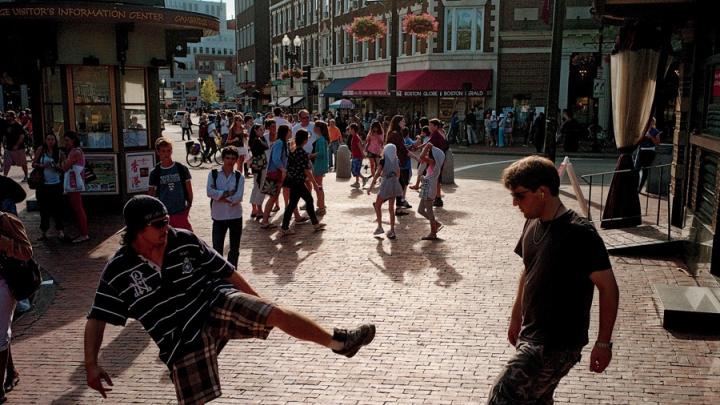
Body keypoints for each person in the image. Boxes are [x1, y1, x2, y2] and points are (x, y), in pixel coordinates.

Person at [84, 195, 375, 404]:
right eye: (159, 225)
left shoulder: (183, 241)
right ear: (137, 229)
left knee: (275, 313)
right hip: (179, 340)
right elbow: (97, 317)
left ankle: (340, 343)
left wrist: (260, 305)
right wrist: (91, 364)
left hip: (212, 303)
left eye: (167, 221)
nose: (166, 229)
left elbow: (227, 271)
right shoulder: (119, 269)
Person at [489, 156, 619, 404]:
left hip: (557, 343)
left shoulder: (580, 233)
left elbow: (608, 287)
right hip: (532, 334)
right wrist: (516, 316)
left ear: (542, 192)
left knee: (502, 395)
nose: (515, 203)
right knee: (536, 400)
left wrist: (604, 342)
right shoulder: (531, 222)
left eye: (519, 195)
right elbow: (528, 270)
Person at [0, 203, 31, 404]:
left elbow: (26, 253)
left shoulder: (5, 221)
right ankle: (11, 371)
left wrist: (3, 242)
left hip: (3, 284)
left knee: (0, 334)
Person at [280, 129, 326, 237]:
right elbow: (307, 170)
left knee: (292, 204)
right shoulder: (302, 152)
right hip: (297, 180)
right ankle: (314, 224)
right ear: (305, 140)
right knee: (308, 200)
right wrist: (315, 184)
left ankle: (285, 226)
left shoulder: (293, 149)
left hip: (292, 179)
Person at [207, 147, 245, 267]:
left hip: (235, 216)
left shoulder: (239, 177)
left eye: (233, 158)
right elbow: (209, 192)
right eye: (227, 158)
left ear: (236, 160)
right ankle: (218, 272)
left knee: (234, 248)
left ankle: (232, 272)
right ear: (223, 159)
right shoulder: (213, 174)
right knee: (217, 248)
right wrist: (227, 193)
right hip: (218, 216)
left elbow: (238, 197)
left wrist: (219, 196)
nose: (230, 161)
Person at [148, 138, 194, 231]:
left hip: (180, 211)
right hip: (164, 214)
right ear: (158, 152)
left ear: (171, 151)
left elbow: (189, 189)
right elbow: (150, 194)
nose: (166, 153)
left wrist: (188, 206)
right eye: (163, 151)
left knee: (186, 237)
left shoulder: (181, 168)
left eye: (168, 150)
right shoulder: (155, 172)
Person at [32, 133, 66, 241]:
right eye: (48, 139)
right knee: (43, 209)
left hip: (56, 184)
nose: (50, 141)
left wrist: (56, 166)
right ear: (45, 140)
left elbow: (63, 167)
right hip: (43, 184)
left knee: (58, 208)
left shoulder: (59, 152)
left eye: (52, 139)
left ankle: (60, 230)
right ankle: (44, 232)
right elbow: (33, 163)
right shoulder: (41, 150)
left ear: (55, 141)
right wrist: (41, 166)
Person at [366, 144, 403, 239]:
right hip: (394, 183)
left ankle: (380, 226)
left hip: (386, 183)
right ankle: (392, 230)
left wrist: (370, 186)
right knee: (391, 208)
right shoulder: (396, 160)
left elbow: (377, 173)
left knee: (378, 205)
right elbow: (398, 173)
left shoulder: (383, 160)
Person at [61, 131, 90, 243]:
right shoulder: (75, 151)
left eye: (67, 140)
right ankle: (82, 232)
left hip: (74, 184)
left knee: (78, 208)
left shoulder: (75, 152)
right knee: (77, 208)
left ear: (73, 140)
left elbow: (65, 167)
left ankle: (84, 233)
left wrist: (63, 160)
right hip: (74, 183)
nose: (65, 143)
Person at [260, 125, 290, 229]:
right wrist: (282, 169)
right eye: (289, 131)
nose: (291, 133)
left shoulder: (283, 143)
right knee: (273, 197)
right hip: (275, 173)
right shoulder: (280, 143)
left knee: (274, 197)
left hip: (278, 173)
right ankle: (264, 221)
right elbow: (276, 158)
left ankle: (265, 220)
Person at [416, 143, 445, 240]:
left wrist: (428, 146)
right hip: (426, 186)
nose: (428, 152)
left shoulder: (433, 162)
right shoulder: (434, 163)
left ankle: (433, 233)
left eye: (429, 152)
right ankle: (436, 224)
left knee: (429, 211)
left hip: (428, 187)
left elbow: (421, 157)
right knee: (420, 210)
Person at [249, 123, 270, 219]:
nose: (263, 132)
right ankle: (259, 210)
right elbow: (266, 146)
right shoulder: (257, 140)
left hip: (256, 166)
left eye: (263, 129)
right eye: (260, 130)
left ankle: (254, 209)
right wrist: (263, 138)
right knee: (261, 187)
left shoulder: (253, 140)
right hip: (260, 166)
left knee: (256, 187)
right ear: (255, 131)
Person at [635, 117, 661, 193]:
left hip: (650, 152)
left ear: (653, 123)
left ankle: (639, 188)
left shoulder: (655, 131)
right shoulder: (643, 130)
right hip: (641, 151)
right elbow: (637, 140)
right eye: (648, 122)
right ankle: (635, 186)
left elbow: (657, 143)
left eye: (651, 122)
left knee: (645, 170)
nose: (650, 124)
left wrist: (651, 137)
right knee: (636, 169)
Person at [427, 119, 449, 207]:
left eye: (430, 125)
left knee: (435, 178)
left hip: (436, 159)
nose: (429, 127)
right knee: (436, 178)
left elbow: (429, 144)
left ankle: (437, 198)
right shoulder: (438, 133)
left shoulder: (436, 134)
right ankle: (437, 197)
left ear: (435, 126)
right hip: (437, 159)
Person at [1, 111, 28, 182]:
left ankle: (26, 176)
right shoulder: (6, 125)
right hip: (9, 148)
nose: (6, 117)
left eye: (8, 116)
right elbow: (4, 135)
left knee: (23, 163)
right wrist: (4, 143)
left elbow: (22, 136)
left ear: (13, 117)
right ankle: (4, 177)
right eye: (6, 116)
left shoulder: (18, 125)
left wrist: (17, 145)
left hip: (19, 149)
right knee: (6, 164)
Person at [312, 121, 330, 216]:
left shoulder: (321, 139)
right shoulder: (321, 139)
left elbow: (321, 153)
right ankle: (321, 204)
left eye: (315, 126)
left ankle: (321, 207)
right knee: (319, 186)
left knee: (318, 187)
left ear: (318, 128)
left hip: (319, 165)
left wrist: (310, 155)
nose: (313, 128)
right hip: (320, 165)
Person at [348, 123, 366, 188]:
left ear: (353, 129)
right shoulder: (354, 136)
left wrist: (363, 154)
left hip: (358, 156)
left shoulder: (356, 137)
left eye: (350, 129)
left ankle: (361, 180)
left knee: (355, 170)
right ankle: (358, 182)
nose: (349, 130)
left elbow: (360, 146)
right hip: (355, 156)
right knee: (355, 170)